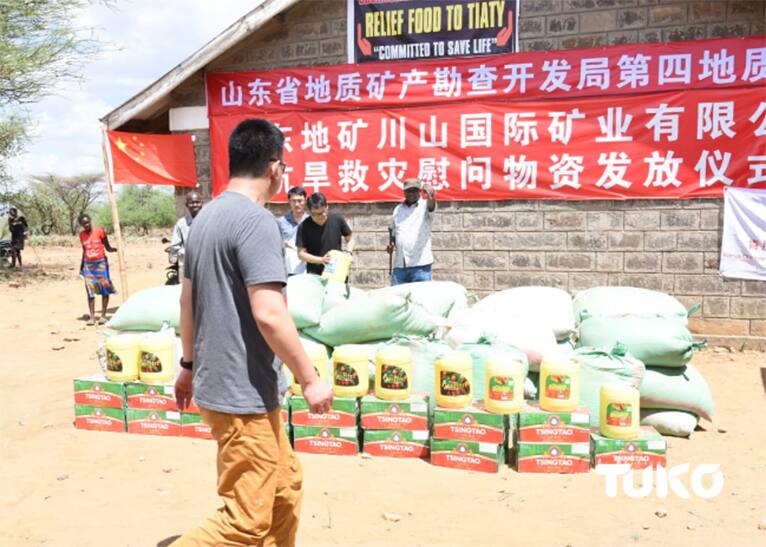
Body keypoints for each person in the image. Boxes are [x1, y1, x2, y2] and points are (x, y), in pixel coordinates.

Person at [172, 119, 333, 547]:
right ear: (275, 168)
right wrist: (311, 377)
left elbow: (187, 303)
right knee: (244, 521)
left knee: (285, 488)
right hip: (241, 396)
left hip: (234, 388)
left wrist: (187, 366)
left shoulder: (204, 220)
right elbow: (270, 314)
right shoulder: (256, 222)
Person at [387, 178, 437, 285]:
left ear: (419, 192)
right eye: (409, 191)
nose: (411, 194)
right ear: (404, 192)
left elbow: (432, 207)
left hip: (420, 264)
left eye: (414, 191)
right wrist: (391, 244)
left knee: (420, 299)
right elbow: (394, 232)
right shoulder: (398, 209)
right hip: (400, 265)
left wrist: (431, 196)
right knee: (397, 299)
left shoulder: (425, 206)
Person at [296, 192, 354, 275]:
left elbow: (350, 239)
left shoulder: (337, 219)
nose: (321, 216)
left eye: (323, 211)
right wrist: (321, 260)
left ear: (327, 206)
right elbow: (301, 254)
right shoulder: (304, 226)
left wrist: (348, 253)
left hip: (337, 271)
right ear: (310, 211)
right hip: (315, 274)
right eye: (316, 214)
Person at [78, 213, 117, 325]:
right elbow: (84, 251)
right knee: (90, 290)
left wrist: (114, 249)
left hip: (101, 264)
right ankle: (92, 317)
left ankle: (103, 316)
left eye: (88, 222)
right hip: (88, 265)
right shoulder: (81, 235)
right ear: (81, 224)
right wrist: (81, 267)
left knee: (104, 288)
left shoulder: (100, 231)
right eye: (84, 223)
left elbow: (107, 246)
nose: (86, 225)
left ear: (90, 221)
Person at [276, 186, 308, 275]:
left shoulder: (310, 221)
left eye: (300, 201)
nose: (297, 204)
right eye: (293, 201)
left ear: (305, 200)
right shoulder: (281, 222)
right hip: (287, 268)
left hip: (307, 268)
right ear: (289, 202)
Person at [170, 190, 203, 256]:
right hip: (188, 262)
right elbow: (175, 247)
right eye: (192, 203)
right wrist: (189, 253)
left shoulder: (208, 221)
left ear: (202, 203)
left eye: (197, 202)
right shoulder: (181, 224)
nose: (195, 205)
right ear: (187, 205)